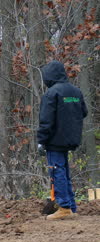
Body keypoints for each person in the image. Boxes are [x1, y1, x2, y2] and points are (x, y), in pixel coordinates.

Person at [37, 60, 88, 220]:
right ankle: (71, 207)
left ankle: (64, 207)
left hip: (54, 140)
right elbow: (84, 112)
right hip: (71, 138)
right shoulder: (75, 92)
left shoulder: (52, 93)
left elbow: (46, 120)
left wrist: (41, 140)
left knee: (57, 171)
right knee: (64, 172)